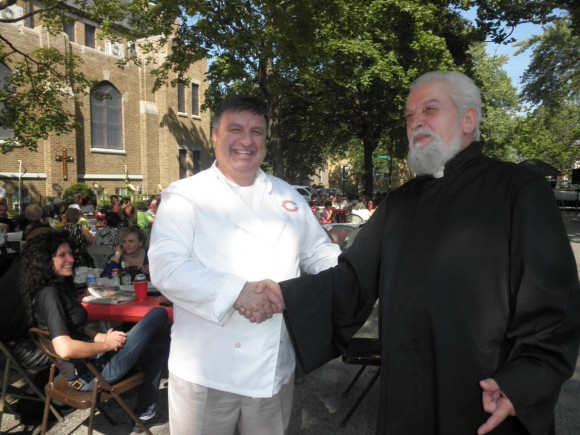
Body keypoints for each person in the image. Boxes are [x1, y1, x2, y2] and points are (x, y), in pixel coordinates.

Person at [240, 71, 580, 435]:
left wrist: (522, 383)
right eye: (409, 116)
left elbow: (552, 303)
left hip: (483, 395)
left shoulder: (518, 191)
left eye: (429, 110)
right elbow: (351, 280)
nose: (415, 122)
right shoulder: (400, 203)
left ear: (469, 119)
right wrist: (283, 295)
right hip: (405, 393)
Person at [148, 95, 340, 434]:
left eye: (257, 132)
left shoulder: (287, 196)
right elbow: (167, 267)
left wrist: (361, 267)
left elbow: (320, 254)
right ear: (214, 136)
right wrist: (238, 292)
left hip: (271, 370)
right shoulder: (185, 195)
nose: (246, 141)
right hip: (206, 372)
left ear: (265, 140)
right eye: (235, 129)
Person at [18, 231, 169, 432]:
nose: (70, 259)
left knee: (159, 348)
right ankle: (150, 403)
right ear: (45, 261)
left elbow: (76, 329)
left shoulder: (50, 290)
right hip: (91, 375)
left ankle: (145, 412)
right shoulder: (50, 295)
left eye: (70, 253)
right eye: (62, 255)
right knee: (159, 313)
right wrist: (107, 345)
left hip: (90, 366)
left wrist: (101, 336)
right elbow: (64, 348)